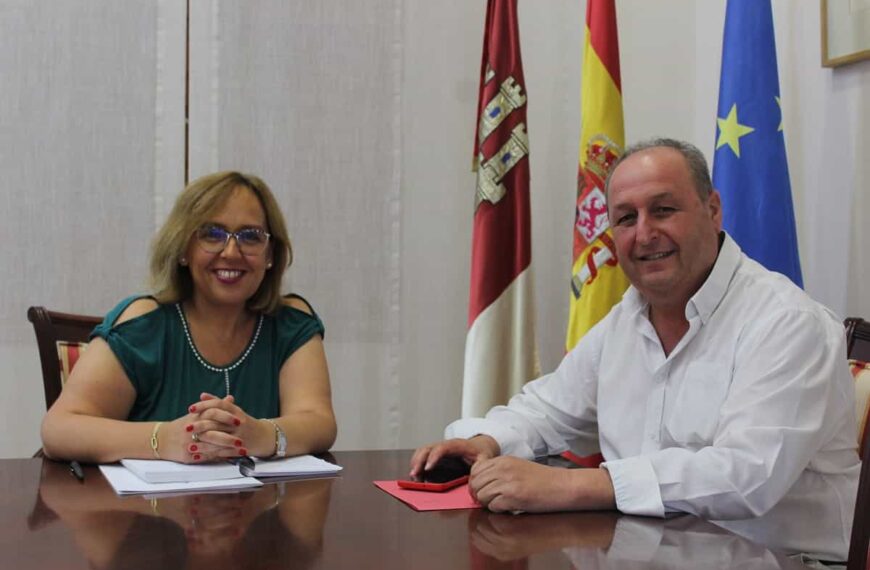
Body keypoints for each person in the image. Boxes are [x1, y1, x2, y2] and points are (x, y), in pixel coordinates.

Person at [410, 138, 859, 561]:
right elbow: (548, 410)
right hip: (653, 554)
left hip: (790, 562)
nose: (644, 234)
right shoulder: (629, 319)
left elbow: (746, 475)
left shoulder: (787, 323)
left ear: (713, 210)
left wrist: (576, 486)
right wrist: (486, 441)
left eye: (663, 210)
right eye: (625, 219)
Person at [41, 171, 336, 464]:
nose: (231, 252)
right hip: (144, 510)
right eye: (212, 234)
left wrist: (261, 435)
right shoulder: (142, 326)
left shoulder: (291, 324)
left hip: (264, 507)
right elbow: (59, 429)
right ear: (184, 249)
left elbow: (318, 422)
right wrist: (164, 440)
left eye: (250, 236)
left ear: (270, 254)